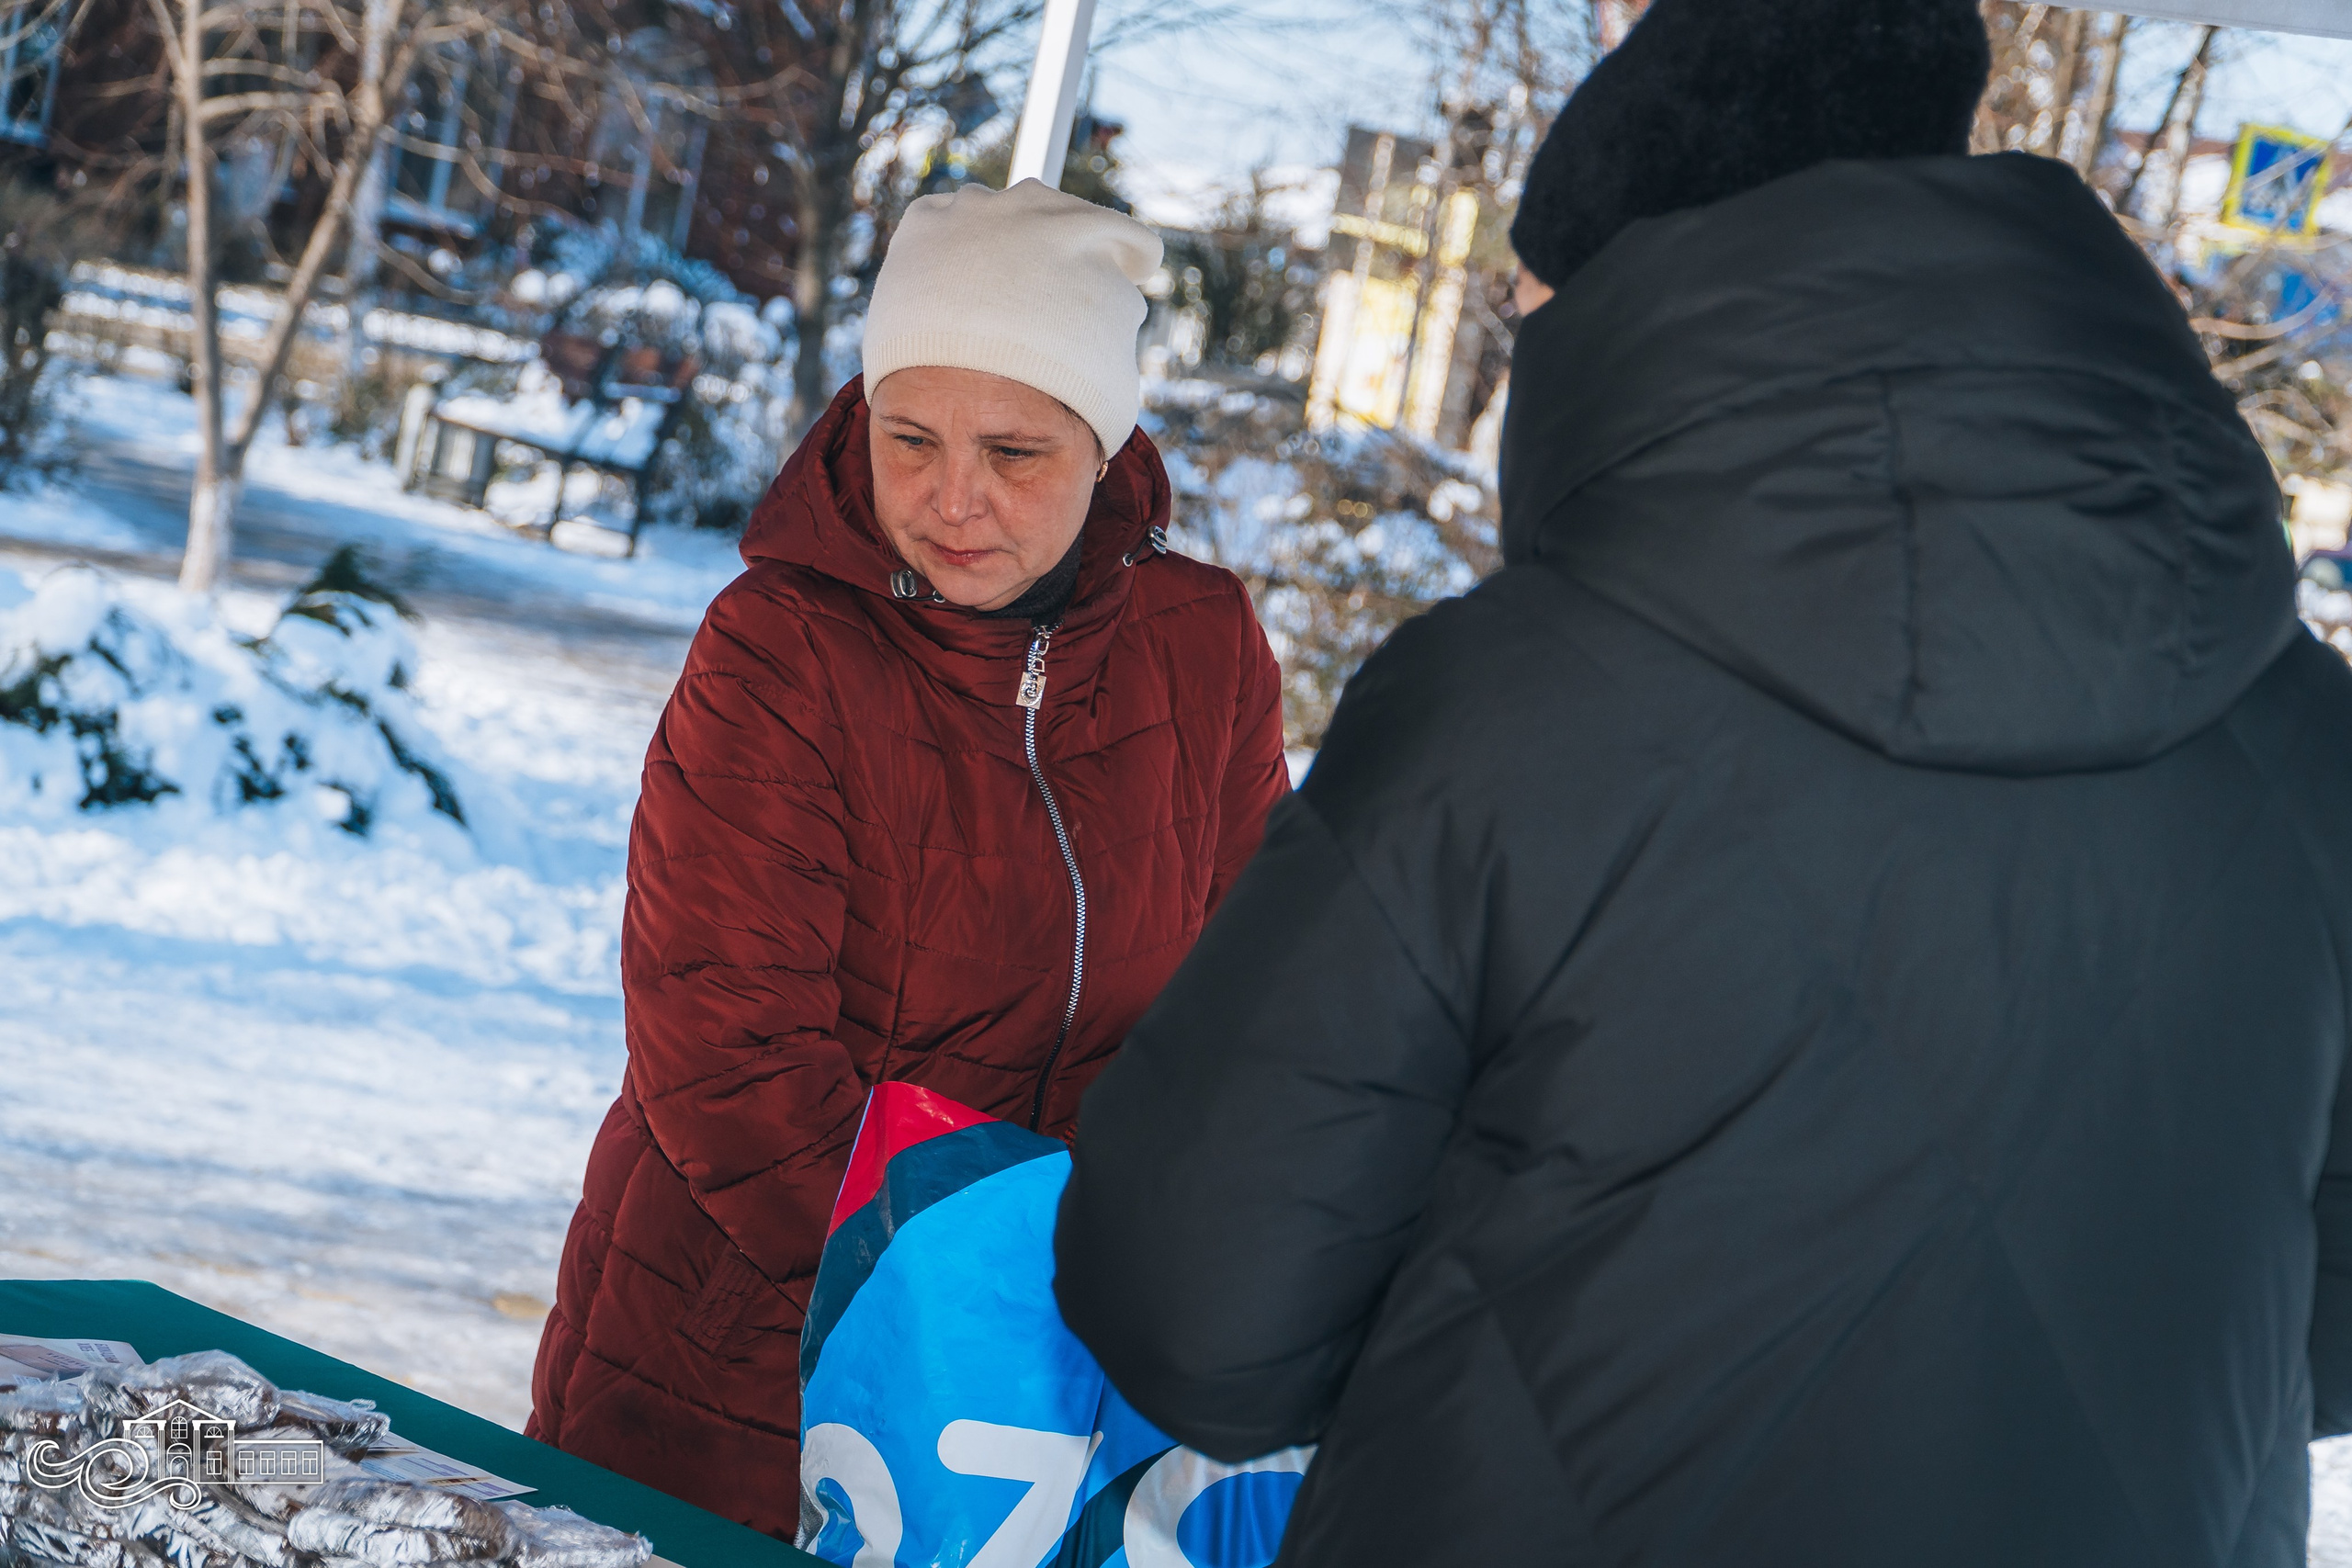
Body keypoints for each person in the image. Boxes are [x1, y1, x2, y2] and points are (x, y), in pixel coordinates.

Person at [1052, 3, 2352, 1564]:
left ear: (1633, 310)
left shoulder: (1506, 707)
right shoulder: (2303, 730)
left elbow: (1193, 1308)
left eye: (1531, 305)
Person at [526, 178, 1290, 1538]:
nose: (952, 501)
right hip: (747, 1366)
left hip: (1060, 1394)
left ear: (1105, 446)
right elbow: (728, 1051)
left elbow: (1247, 1012)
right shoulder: (782, 648)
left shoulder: (1205, 646)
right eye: (909, 437)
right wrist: (982, 1293)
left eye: (1015, 453)